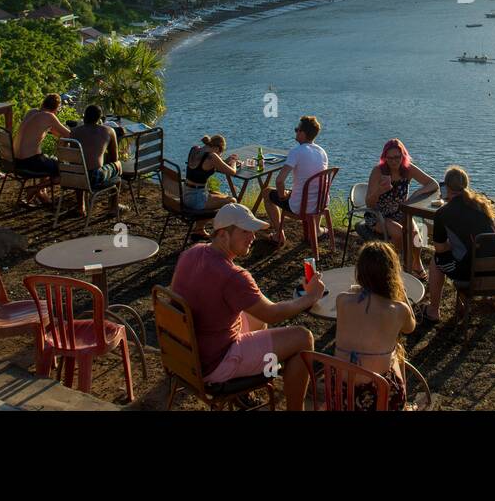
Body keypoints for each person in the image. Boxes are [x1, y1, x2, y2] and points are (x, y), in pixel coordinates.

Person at [170, 202, 323, 410]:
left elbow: (261, 310)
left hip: (187, 353)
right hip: (215, 363)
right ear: (223, 234)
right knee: (303, 338)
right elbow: (272, 314)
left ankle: (243, 393)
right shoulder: (234, 277)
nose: (252, 237)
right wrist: (310, 297)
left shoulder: (192, 253)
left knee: (256, 314)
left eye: (252, 231)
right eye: (245, 231)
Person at [420, 165, 495, 323]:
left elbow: (440, 248)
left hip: (473, 273)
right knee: (484, 251)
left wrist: (453, 245)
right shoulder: (482, 204)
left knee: (436, 260)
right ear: (466, 185)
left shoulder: (443, 213)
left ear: (446, 187)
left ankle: (433, 310)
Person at [335, 242, 416, 411]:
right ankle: (404, 405)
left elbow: (363, 311)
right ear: (391, 274)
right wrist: (402, 294)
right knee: (398, 350)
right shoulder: (398, 309)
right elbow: (410, 328)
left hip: (341, 394)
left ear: (360, 272)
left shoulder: (342, 300)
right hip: (379, 396)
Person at [364, 139, 439, 274]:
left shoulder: (408, 169)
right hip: (378, 214)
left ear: (403, 156)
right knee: (399, 233)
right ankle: (392, 265)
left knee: (418, 236)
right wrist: (379, 190)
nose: (393, 161)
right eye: (390, 157)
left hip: (400, 212)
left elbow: (433, 184)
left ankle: (416, 263)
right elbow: (369, 203)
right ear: (384, 157)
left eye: (397, 157)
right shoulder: (378, 171)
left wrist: (414, 195)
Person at [263, 115, 328, 247]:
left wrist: (282, 197)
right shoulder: (322, 152)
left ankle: (279, 234)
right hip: (320, 203)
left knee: (266, 193)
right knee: (300, 191)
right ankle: (316, 230)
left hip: (301, 206)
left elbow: (279, 181)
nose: (295, 132)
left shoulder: (296, 151)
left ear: (302, 133)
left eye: (296, 129)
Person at [12, 93, 70, 203]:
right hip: (30, 162)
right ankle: (35, 189)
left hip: (15, 161)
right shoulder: (49, 116)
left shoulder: (31, 112)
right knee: (65, 171)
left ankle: (42, 191)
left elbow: (53, 131)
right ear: (57, 107)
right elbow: (69, 135)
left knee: (47, 159)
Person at [68, 104, 124, 216]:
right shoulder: (108, 131)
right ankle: (113, 206)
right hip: (93, 178)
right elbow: (114, 158)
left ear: (84, 117)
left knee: (80, 167)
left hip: (73, 176)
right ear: (100, 119)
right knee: (118, 165)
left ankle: (80, 207)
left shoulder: (73, 132)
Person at [183, 134, 239, 236]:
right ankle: (222, 231)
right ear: (217, 148)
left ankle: (199, 229)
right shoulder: (212, 156)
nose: (219, 156)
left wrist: (225, 161)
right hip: (196, 199)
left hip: (186, 193)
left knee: (221, 195)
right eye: (220, 153)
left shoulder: (195, 149)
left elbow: (205, 167)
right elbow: (232, 172)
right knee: (232, 200)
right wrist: (234, 162)